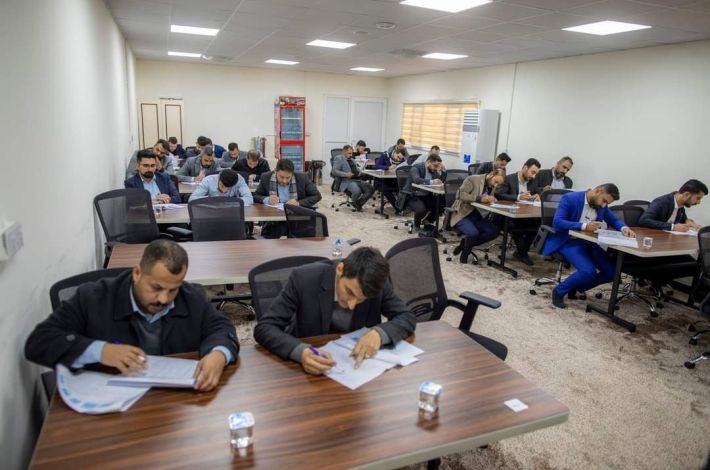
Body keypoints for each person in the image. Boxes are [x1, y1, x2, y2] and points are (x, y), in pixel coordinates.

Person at [25, 240, 239, 392]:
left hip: (172, 400)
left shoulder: (192, 296)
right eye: (156, 288)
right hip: (111, 401)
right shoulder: (92, 297)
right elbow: (39, 342)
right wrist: (100, 350)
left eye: (173, 290)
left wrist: (218, 355)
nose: (164, 299)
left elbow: (221, 328)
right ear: (137, 273)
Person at [254, 247, 416, 375]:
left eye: (361, 299)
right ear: (340, 269)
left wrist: (379, 334)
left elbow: (406, 316)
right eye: (350, 292)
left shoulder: (377, 284)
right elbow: (265, 327)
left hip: (356, 371)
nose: (352, 304)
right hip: (308, 369)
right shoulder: (303, 279)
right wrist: (300, 352)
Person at [543, 184, 636, 309]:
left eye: (607, 203)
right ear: (598, 191)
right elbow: (557, 222)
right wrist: (584, 226)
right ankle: (559, 291)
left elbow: (614, 220)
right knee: (588, 271)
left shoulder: (601, 205)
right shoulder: (570, 198)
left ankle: (576, 286)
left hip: (588, 241)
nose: (604, 205)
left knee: (612, 272)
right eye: (604, 201)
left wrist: (624, 228)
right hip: (568, 240)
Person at [254, 159, 322, 238]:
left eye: (288, 177)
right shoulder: (266, 177)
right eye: (281, 177)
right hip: (274, 218)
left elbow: (316, 196)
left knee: (299, 239)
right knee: (269, 237)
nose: (284, 180)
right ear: (275, 171)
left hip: (296, 217)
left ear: (292, 173)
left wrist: (298, 203)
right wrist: (267, 199)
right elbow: (256, 195)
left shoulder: (302, 178)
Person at [450, 169, 505, 263]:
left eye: (498, 184)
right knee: (473, 233)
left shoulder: (492, 185)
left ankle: (463, 245)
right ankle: (464, 255)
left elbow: (488, 198)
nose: (496, 185)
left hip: (478, 215)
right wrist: (479, 198)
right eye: (495, 182)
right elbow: (460, 195)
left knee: (494, 231)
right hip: (463, 214)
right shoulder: (473, 179)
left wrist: (492, 199)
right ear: (491, 174)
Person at [496, 158, 542, 265]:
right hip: (507, 215)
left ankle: (521, 252)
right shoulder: (509, 179)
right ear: (525, 168)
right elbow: (499, 195)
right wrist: (518, 197)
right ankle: (523, 254)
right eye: (532, 172)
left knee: (538, 225)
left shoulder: (532, 181)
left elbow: (538, 192)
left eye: (535, 174)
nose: (534, 176)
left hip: (524, 214)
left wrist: (538, 196)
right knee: (516, 227)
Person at [639, 179, 706, 231]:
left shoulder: (681, 206)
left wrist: (687, 221)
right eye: (698, 198)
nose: (698, 202)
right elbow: (644, 220)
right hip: (654, 239)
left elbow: (683, 219)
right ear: (686, 194)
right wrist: (673, 227)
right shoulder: (661, 202)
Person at [402, 154, 447, 229]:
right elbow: (417, 180)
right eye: (435, 165)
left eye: (437, 166)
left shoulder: (433, 170)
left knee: (441, 204)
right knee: (421, 209)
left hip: (426, 195)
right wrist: (432, 182)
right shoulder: (416, 168)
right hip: (412, 195)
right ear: (429, 162)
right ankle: (416, 225)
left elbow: (440, 181)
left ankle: (427, 220)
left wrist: (443, 170)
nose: (436, 168)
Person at [332, 145, 375, 211]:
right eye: (349, 153)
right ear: (344, 152)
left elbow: (357, 169)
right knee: (357, 191)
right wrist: (346, 174)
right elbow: (334, 171)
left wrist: (362, 172)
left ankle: (357, 203)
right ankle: (356, 203)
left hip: (358, 179)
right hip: (347, 181)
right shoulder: (339, 158)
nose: (351, 155)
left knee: (370, 188)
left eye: (352, 153)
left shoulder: (352, 160)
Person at [188, 168, 254, 204]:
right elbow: (192, 199)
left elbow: (249, 199)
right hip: (211, 212)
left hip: (232, 212)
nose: (224, 191)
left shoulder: (239, 180)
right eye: (222, 186)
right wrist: (211, 200)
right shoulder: (208, 180)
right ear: (219, 177)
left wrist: (229, 201)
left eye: (228, 188)